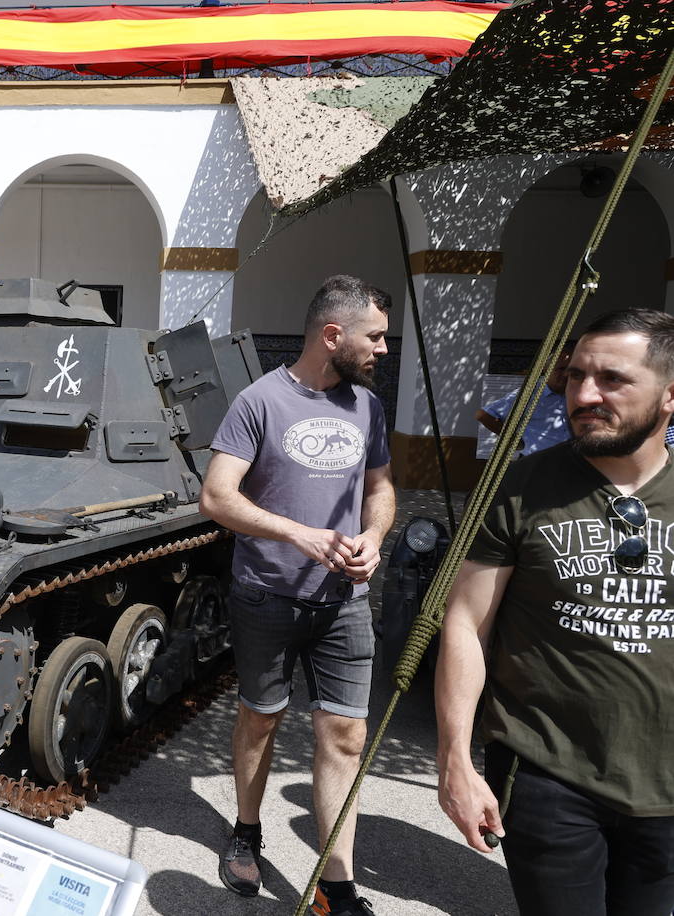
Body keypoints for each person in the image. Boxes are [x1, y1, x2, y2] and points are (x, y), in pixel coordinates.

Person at [436, 309, 674, 915]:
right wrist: (455, 760)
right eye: (574, 377)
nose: (584, 395)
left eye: (612, 379)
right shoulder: (517, 490)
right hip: (547, 774)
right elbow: (465, 622)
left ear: (669, 394)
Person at [201, 275, 396, 916]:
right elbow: (217, 496)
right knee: (261, 718)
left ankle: (336, 889)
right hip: (267, 595)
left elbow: (380, 488)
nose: (383, 350)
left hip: (344, 600)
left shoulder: (368, 407)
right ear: (331, 335)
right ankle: (247, 832)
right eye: (375, 337)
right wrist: (299, 533)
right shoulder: (259, 402)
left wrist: (373, 534)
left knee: (344, 734)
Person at [474, 341, 575, 456]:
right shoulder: (530, 393)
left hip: (571, 460)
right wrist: (514, 441)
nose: (566, 374)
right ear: (546, 370)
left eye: (570, 370)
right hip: (538, 460)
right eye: (560, 369)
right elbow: (483, 415)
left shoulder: (577, 392)